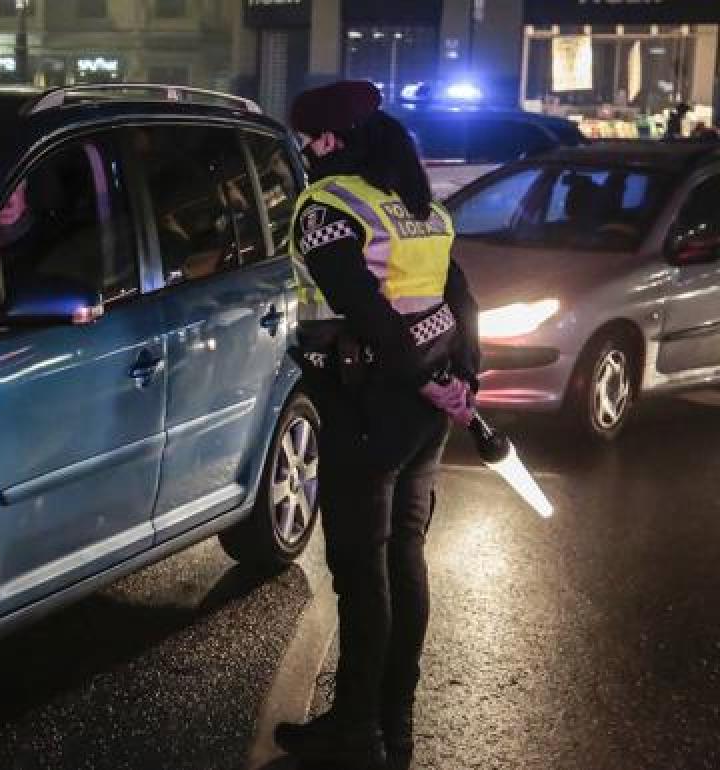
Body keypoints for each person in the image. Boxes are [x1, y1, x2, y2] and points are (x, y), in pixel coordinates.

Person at [274, 80, 481, 769]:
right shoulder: (418, 207)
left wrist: (421, 377)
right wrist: (460, 381)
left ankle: (357, 736)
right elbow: (461, 298)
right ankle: (393, 725)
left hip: (367, 405)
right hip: (424, 413)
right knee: (404, 560)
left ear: (330, 140)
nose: (303, 149)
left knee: (363, 575)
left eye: (307, 136)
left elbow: (362, 307)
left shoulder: (327, 205)